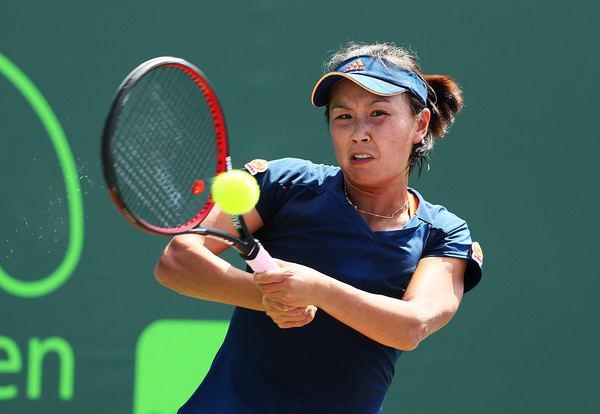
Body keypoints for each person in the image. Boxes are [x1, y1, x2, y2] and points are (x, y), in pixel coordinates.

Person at [154, 41, 483, 414]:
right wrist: (265, 296)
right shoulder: (284, 183)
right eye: (343, 116)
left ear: (419, 125)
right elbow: (177, 260)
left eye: (378, 114)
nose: (359, 132)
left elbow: (411, 326)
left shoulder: (443, 233)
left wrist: (319, 290)